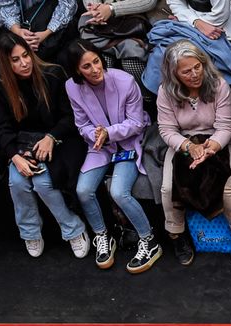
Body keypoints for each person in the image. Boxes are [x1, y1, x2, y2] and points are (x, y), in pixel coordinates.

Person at [0, 31, 89, 260]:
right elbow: (1, 125)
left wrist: (51, 138)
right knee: (16, 181)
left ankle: (73, 228)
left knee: (44, 182)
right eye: (15, 60)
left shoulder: (52, 73)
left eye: (25, 55)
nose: (24, 63)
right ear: (6, 63)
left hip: (59, 140)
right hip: (23, 143)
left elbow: (69, 117)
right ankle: (30, 232)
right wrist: (14, 156)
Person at [64, 40, 160, 273]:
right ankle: (103, 236)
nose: (95, 69)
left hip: (127, 142)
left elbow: (137, 123)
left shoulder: (125, 81)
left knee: (119, 192)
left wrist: (108, 132)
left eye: (96, 61)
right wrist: (94, 134)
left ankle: (149, 241)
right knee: (83, 191)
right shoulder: (72, 87)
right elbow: (81, 123)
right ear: (77, 70)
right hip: (100, 146)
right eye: (87, 66)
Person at [157, 38, 231, 267]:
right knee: (168, 187)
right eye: (186, 71)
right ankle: (176, 236)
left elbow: (226, 126)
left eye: (197, 67)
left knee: (226, 186)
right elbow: (166, 129)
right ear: (175, 74)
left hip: (224, 140)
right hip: (186, 141)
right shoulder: (165, 92)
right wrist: (190, 147)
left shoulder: (219, 85)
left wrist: (209, 149)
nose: (194, 74)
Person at [0, 0, 77, 62]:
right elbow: (6, 5)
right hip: (18, 29)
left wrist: (46, 32)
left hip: (54, 32)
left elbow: (68, 4)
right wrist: (18, 31)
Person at [167, 0, 231, 43]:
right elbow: (175, 3)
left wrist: (186, 21)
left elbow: (220, 14)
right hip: (192, 20)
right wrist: (195, 22)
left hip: (225, 26)